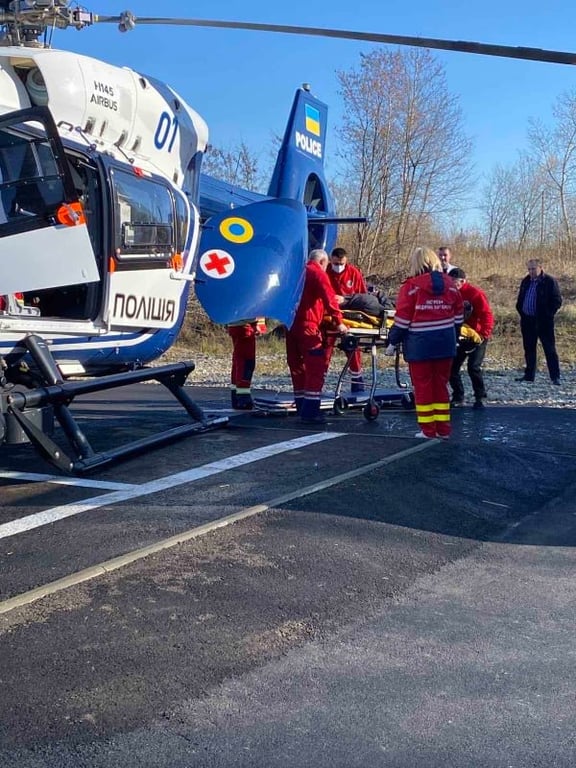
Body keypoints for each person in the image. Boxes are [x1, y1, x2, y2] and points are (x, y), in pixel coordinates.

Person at [385, 246, 464, 439]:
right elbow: (459, 315)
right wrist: (453, 335)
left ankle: (428, 430)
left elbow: (403, 319)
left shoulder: (411, 287)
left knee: (423, 387)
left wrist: (392, 341)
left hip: (420, 345)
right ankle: (443, 429)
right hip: (445, 344)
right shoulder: (450, 284)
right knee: (441, 386)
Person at [286, 249, 348, 423]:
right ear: (322, 262)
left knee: (297, 367)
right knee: (315, 367)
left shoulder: (296, 273)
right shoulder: (318, 274)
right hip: (308, 326)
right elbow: (329, 299)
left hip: (290, 325)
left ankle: (301, 406)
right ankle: (311, 411)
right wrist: (339, 322)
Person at [448, 268, 494, 409]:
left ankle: (480, 397)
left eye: (454, 282)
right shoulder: (449, 294)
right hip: (461, 334)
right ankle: (458, 396)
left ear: (463, 281)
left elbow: (487, 314)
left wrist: (484, 334)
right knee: (452, 367)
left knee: (473, 367)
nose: (452, 284)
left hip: (477, 335)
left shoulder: (475, 294)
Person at [515, 258, 562, 385]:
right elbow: (521, 298)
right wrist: (521, 310)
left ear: (540, 267)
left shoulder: (549, 281)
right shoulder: (526, 281)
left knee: (549, 349)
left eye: (533, 269)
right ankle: (529, 376)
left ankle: (555, 376)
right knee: (529, 348)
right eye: (529, 269)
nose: (531, 271)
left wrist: (547, 314)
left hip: (543, 321)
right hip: (527, 320)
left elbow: (557, 300)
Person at [326, 246, 367, 392]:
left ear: (346, 261)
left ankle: (357, 381)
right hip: (328, 316)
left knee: (352, 347)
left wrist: (346, 299)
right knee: (325, 348)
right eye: (335, 264)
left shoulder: (354, 273)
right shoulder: (325, 271)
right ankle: (319, 382)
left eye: (341, 264)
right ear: (331, 260)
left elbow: (363, 297)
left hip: (349, 317)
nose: (338, 267)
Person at [227, 318, 267, 410]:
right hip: (245, 325)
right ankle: (243, 397)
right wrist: (257, 323)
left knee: (238, 362)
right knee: (246, 363)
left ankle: (236, 396)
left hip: (235, 323)